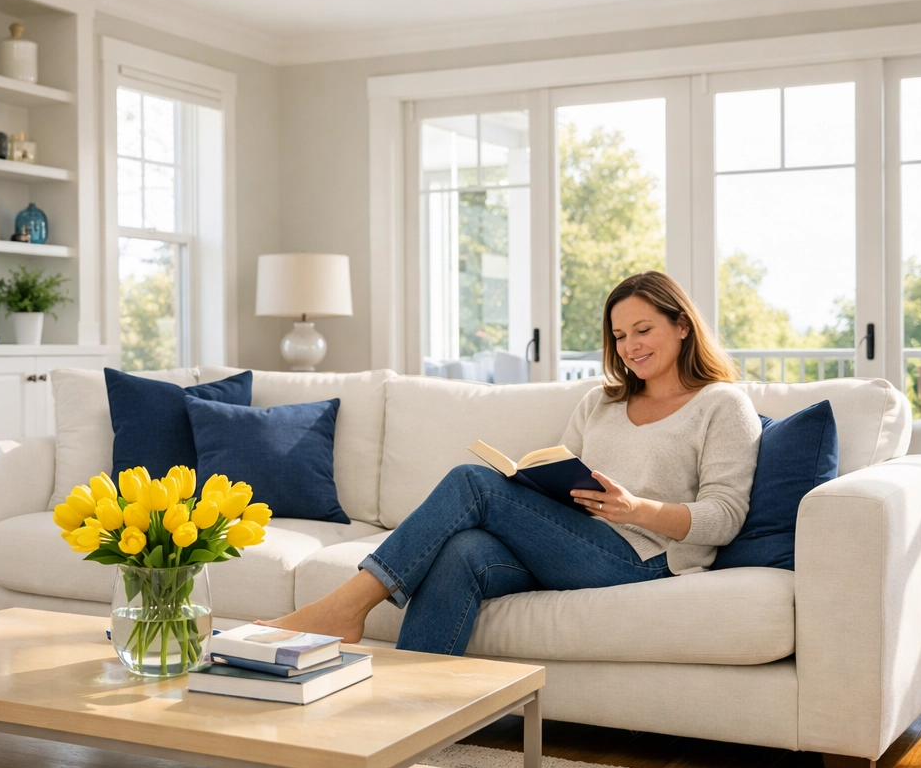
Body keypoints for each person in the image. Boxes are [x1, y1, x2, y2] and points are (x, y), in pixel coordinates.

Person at [267, 271, 762, 656]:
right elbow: (564, 471)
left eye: (643, 329)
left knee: (472, 483)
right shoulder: (600, 402)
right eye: (618, 335)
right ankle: (415, 707)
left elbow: (725, 517)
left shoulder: (721, 405)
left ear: (681, 325)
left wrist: (636, 509)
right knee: (463, 549)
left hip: (645, 559)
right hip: (572, 543)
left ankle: (341, 608)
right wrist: (534, 484)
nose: (630, 346)